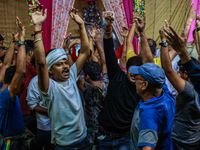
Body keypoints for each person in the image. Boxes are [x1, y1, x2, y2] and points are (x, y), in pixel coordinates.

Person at [31, 4, 91, 149]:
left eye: (65, 62)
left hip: (84, 140)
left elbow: (84, 52)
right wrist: (37, 28)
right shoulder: (49, 87)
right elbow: (41, 64)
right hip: (65, 146)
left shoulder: (71, 77)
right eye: (59, 64)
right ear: (51, 71)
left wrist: (82, 25)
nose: (65, 66)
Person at [97, 11, 142, 150]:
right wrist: (108, 28)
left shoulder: (142, 90)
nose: (134, 75)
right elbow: (109, 52)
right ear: (127, 69)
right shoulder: (117, 76)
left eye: (138, 72)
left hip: (125, 139)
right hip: (104, 136)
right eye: (132, 71)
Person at [162, 16, 200, 150]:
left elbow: (167, 69)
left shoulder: (190, 90)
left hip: (180, 141)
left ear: (186, 74)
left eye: (179, 71)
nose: (178, 74)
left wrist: (164, 43)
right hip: (194, 140)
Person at [0, 17, 35, 150]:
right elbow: (20, 72)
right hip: (12, 144)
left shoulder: (1, 87)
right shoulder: (6, 96)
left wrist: (12, 42)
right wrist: (21, 41)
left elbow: (6, 65)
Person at [77, 26, 109, 148]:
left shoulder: (87, 89)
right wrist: (98, 42)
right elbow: (105, 63)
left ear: (86, 76)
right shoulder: (106, 83)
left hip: (90, 130)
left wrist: (67, 50)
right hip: (104, 129)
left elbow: (74, 72)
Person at [27, 75, 53, 150]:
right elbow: (33, 105)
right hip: (45, 126)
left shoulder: (60, 78)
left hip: (62, 126)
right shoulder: (35, 81)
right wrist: (50, 112)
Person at [18, 40, 37, 135]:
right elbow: (29, 86)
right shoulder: (26, 67)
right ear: (31, 52)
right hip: (26, 109)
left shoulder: (26, 66)